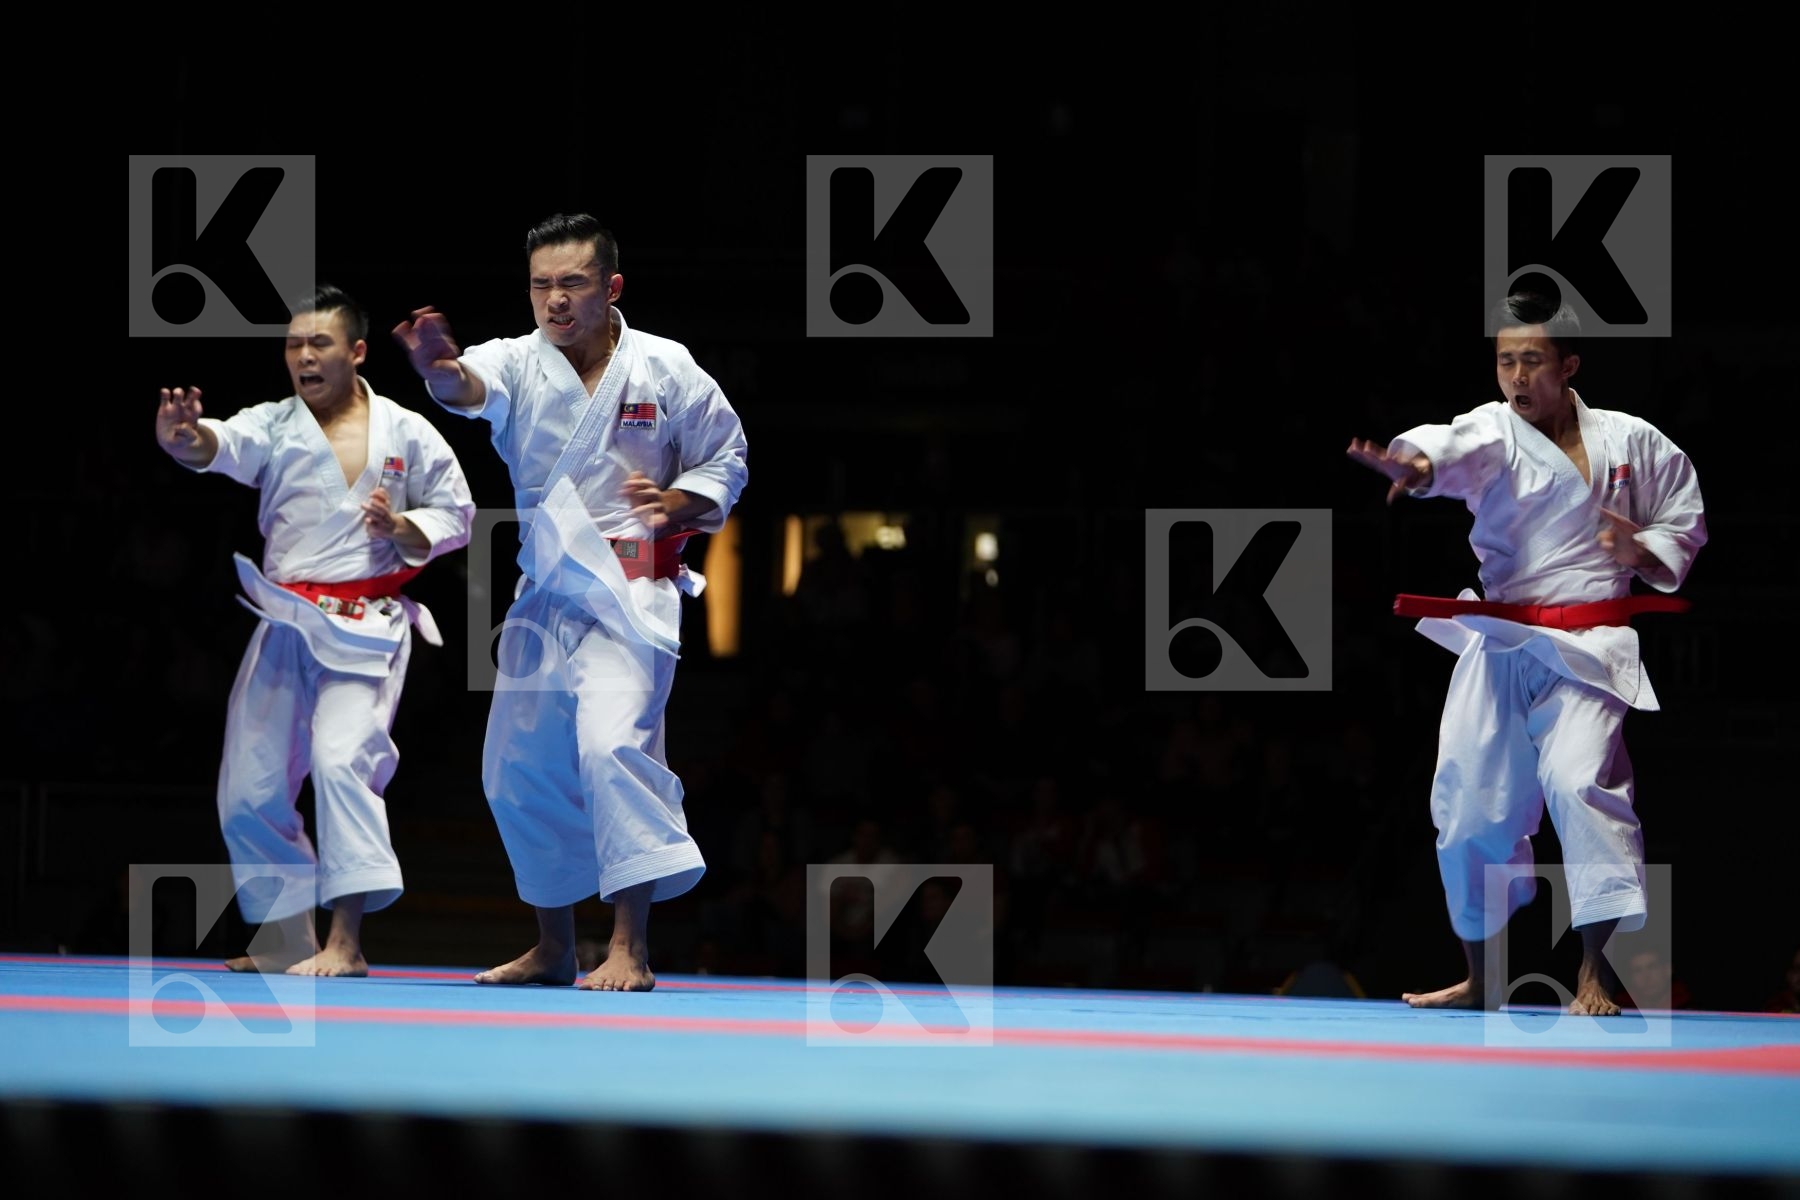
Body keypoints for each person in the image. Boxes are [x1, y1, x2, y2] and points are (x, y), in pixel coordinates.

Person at [391, 213, 749, 992]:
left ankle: (630, 946)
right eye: (540, 285)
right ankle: (554, 947)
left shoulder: (665, 366)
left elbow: (729, 455)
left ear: (611, 287)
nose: (554, 300)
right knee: (516, 771)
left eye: (572, 284)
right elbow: (465, 385)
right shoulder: (518, 361)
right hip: (543, 591)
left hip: (633, 588)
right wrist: (435, 364)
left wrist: (679, 504)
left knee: (612, 747)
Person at [1346, 290, 1707, 1015]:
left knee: (1581, 787)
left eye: (1532, 361)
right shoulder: (1494, 430)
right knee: (1469, 806)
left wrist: (1642, 545)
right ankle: (1482, 980)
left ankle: (1596, 974)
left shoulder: (1634, 442)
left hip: (1590, 648)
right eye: (1506, 360)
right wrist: (1413, 466)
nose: (1516, 376)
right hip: (1503, 643)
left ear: (1567, 365)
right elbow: (1449, 445)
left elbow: (1686, 519)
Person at [155, 285, 476, 977]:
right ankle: (286, 938)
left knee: (340, 763)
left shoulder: (407, 431)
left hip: (365, 628)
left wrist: (405, 527)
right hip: (284, 622)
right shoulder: (275, 424)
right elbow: (218, 442)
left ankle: (347, 942)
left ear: (356, 352)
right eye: (294, 344)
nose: (303, 356)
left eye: (318, 343)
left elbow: (459, 511)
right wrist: (186, 437)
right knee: (248, 788)